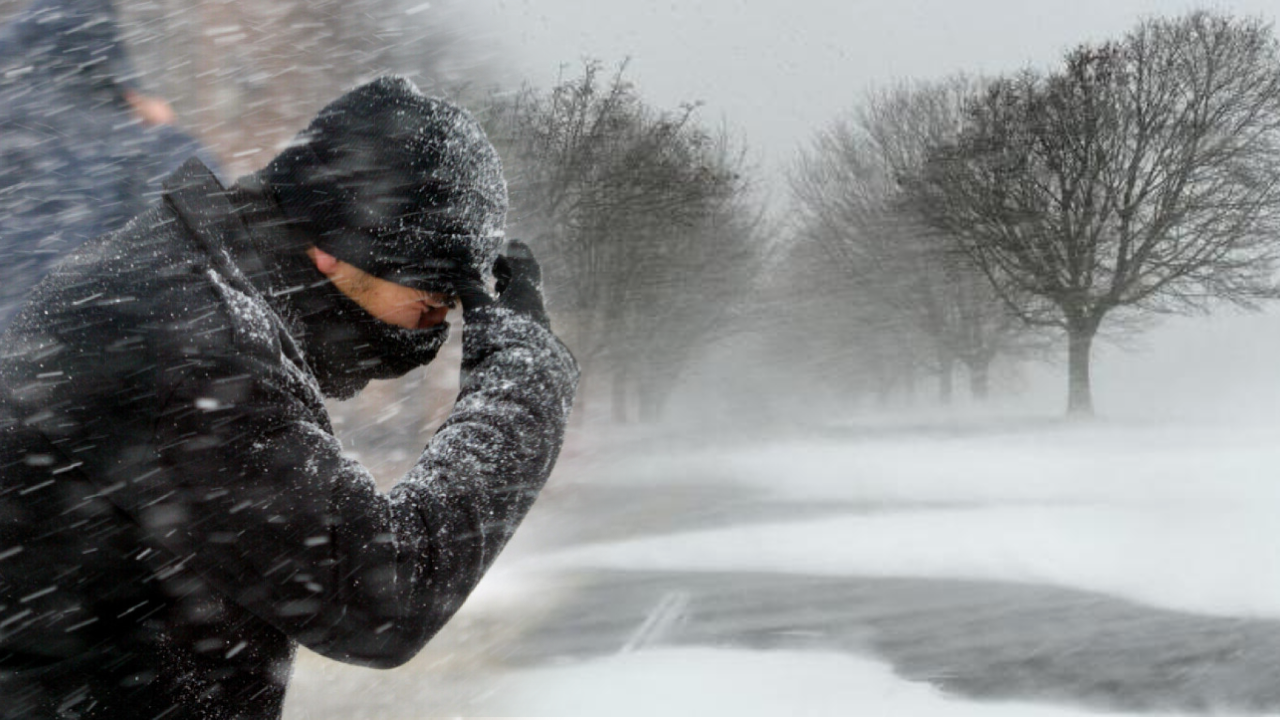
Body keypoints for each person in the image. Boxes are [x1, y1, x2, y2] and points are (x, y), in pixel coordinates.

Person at [0, 75, 578, 719]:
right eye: (433, 299)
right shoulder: (194, 349)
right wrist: (523, 386)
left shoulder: (185, 283)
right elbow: (382, 597)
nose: (435, 330)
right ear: (343, 250)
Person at [0, 0, 220, 327]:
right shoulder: (126, 142)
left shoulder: (15, 120)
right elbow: (213, 216)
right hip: (84, 351)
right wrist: (166, 133)